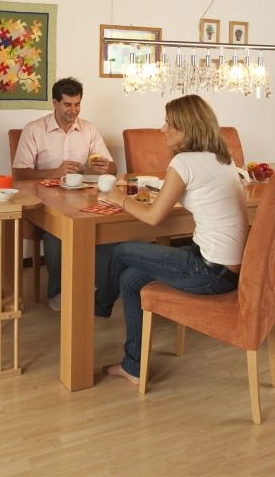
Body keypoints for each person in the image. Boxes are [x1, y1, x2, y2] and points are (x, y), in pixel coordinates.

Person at [99, 94, 248, 385]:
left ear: (187, 127)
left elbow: (154, 217)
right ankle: (133, 366)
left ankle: (97, 307)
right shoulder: (223, 159)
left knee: (123, 251)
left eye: (169, 123)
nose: (163, 129)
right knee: (130, 279)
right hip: (227, 270)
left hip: (208, 272)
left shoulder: (184, 161)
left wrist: (119, 199)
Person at [12, 77, 117, 311]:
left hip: (82, 198)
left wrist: (104, 167)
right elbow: (19, 174)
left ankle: (97, 290)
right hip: (42, 201)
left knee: (107, 226)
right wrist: (55, 172)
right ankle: (58, 292)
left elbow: (113, 168)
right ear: (55, 103)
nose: (74, 110)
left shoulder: (89, 129)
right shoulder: (34, 130)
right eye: (68, 104)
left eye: (78, 104)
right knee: (56, 235)